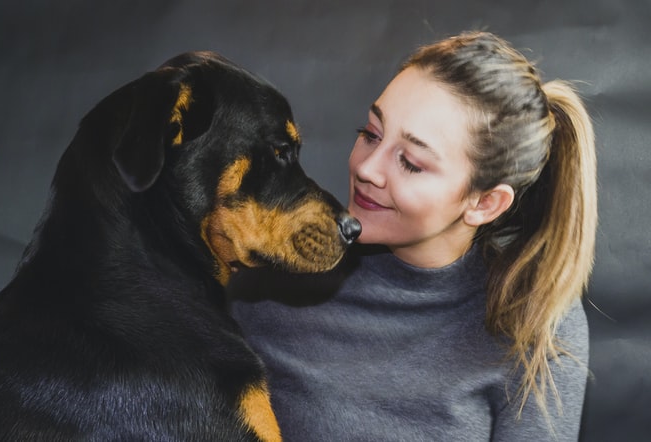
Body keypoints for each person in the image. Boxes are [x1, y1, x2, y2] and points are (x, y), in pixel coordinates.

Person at [229, 31, 597, 441]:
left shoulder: (536, 319)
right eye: (370, 134)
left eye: (411, 162)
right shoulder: (270, 266)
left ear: (485, 203)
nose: (368, 169)